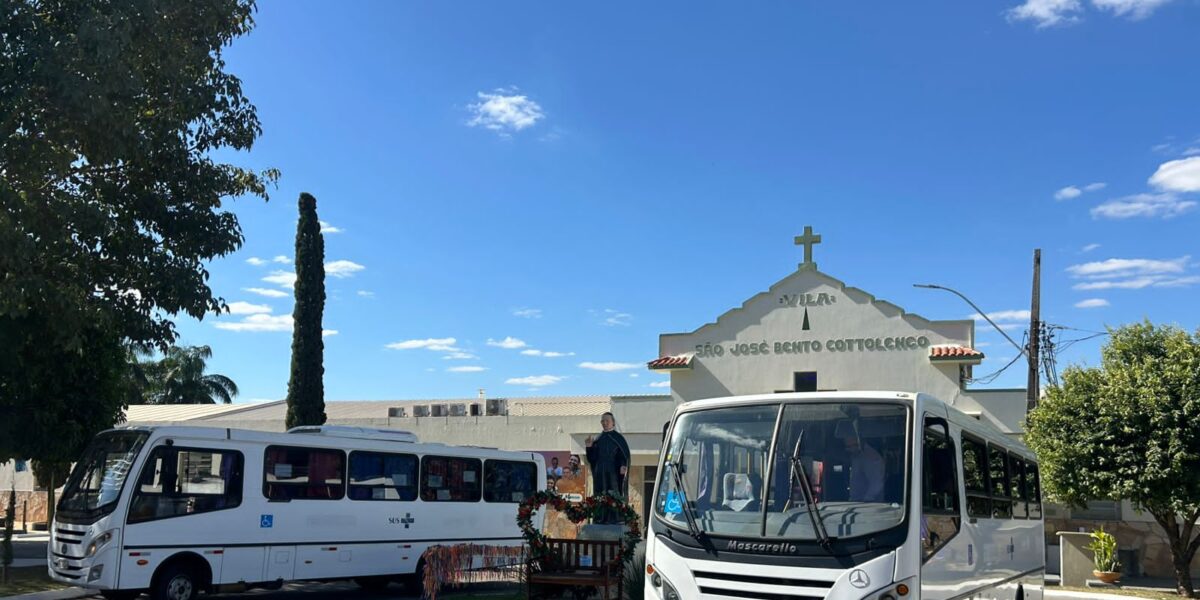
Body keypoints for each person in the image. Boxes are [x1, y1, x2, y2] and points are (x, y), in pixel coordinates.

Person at [585, 412, 631, 523]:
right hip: (600, 472)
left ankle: (615, 518)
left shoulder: (618, 438)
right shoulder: (598, 439)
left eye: (607, 421)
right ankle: (600, 518)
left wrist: (623, 465)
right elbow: (592, 459)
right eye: (603, 421)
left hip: (613, 473)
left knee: (613, 493)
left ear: (613, 422)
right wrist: (589, 447)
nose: (605, 423)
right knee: (600, 493)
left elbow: (624, 454)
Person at [841, 424, 885, 502]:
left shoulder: (870, 457)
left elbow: (876, 483)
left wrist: (866, 501)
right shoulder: (856, 456)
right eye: (847, 447)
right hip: (857, 504)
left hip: (867, 507)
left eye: (853, 445)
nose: (850, 449)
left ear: (859, 438)